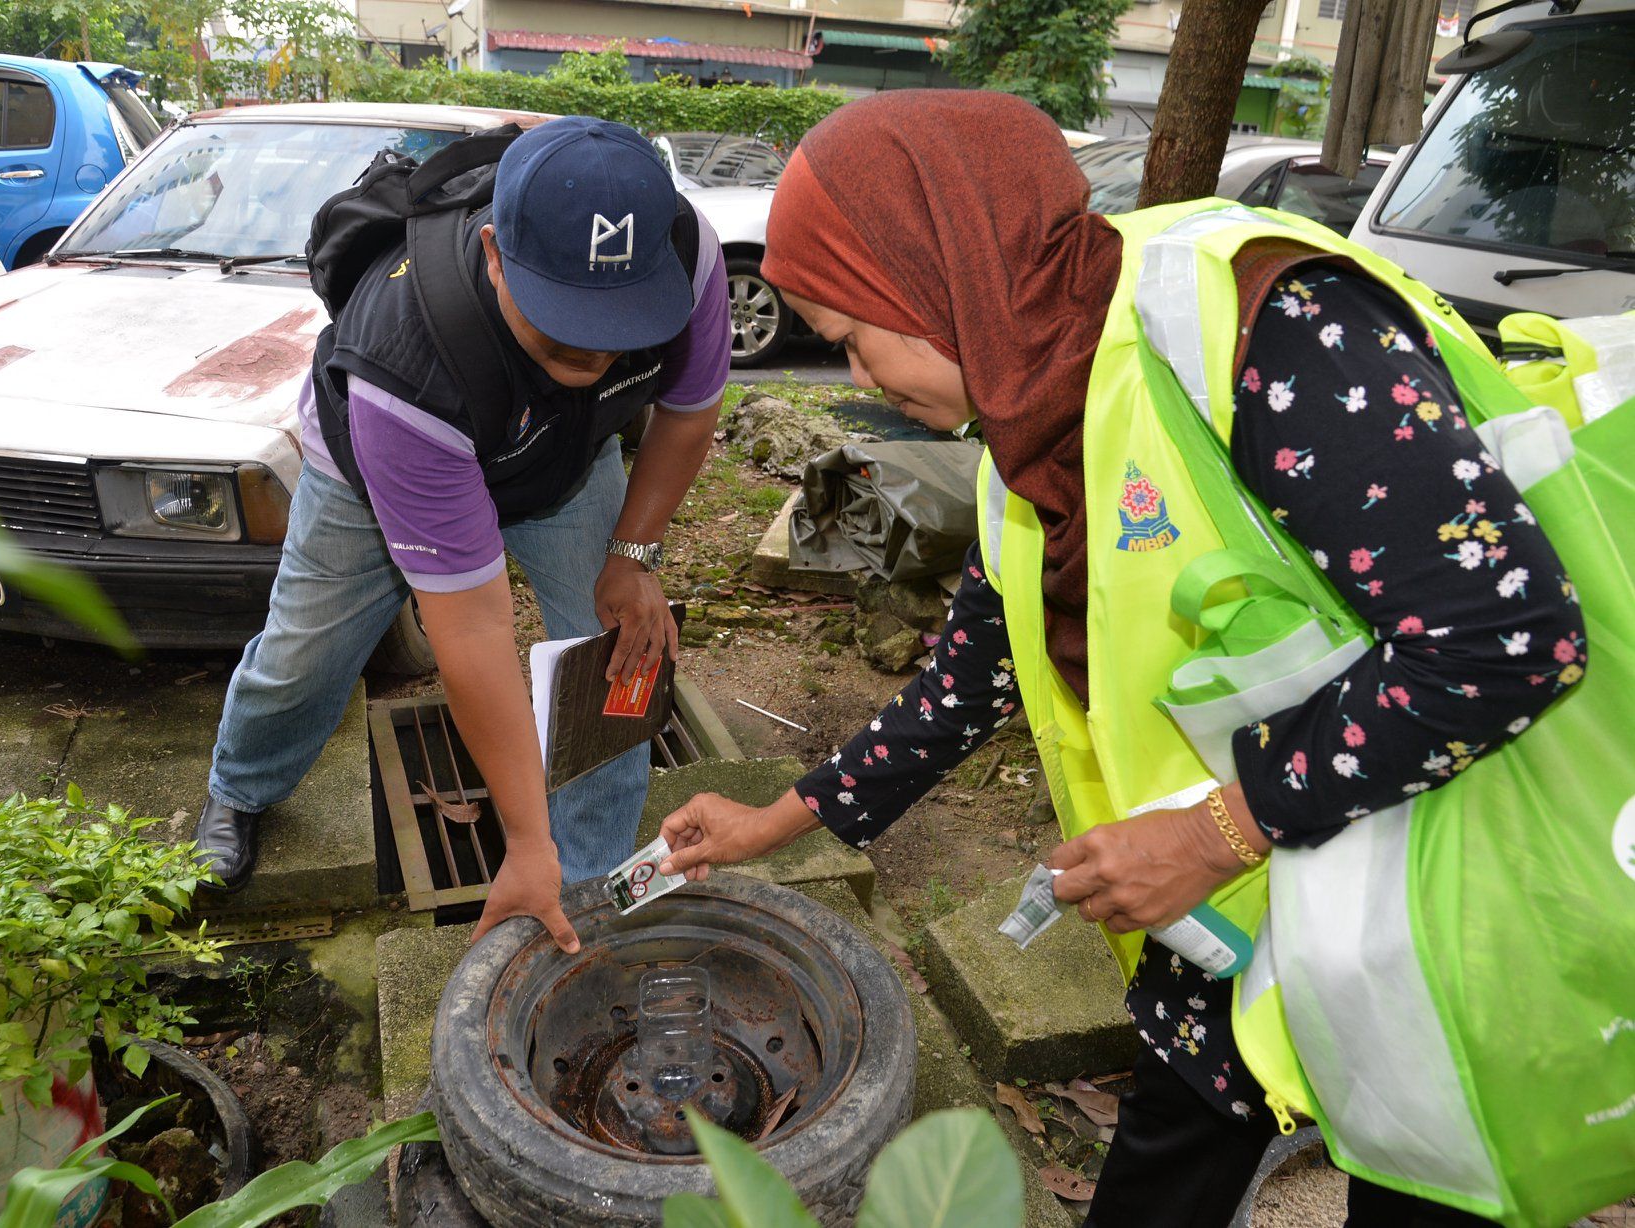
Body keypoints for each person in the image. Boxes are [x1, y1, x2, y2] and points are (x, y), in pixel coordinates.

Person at [654, 92, 1584, 1226]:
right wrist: (773, 823)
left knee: (1418, 1185)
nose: (851, 375)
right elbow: (965, 686)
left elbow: (1508, 639)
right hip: (1241, 917)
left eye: (849, 332)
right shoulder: (1026, 425)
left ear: (936, 267)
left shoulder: (1266, 328)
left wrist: (1210, 834)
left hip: (1435, 903)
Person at [199, 117, 730, 953]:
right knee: (307, 653)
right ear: (492, 254)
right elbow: (475, 630)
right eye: (561, 326)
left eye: (620, 324)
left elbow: (689, 415)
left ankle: (581, 885)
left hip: (568, 462)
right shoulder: (403, 362)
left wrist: (634, 554)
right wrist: (520, 838)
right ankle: (242, 785)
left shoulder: (686, 255)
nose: (594, 352)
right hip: (384, 472)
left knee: (612, 657)